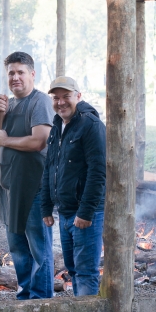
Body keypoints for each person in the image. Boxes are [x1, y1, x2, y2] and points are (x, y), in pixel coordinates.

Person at [0, 51, 55, 299]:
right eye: (11, 73)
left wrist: (7, 139)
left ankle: (42, 302)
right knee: (18, 249)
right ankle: (26, 296)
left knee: (40, 249)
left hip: (33, 189)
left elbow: (39, 141)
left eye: (20, 72)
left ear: (32, 74)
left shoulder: (40, 102)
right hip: (8, 189)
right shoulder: (8, 104)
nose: (15, 77)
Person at [41, 76, 106, 296]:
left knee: (86, 271)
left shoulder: (91, 125)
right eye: (56, 98)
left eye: (66, 96)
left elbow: (98, 173)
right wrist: (46, 207)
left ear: (78, 96)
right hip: (66, 213)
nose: (61, 102)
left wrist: (86, 212)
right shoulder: (57, 125)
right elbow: (50, 167)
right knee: (73, 270)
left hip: (85, 213)